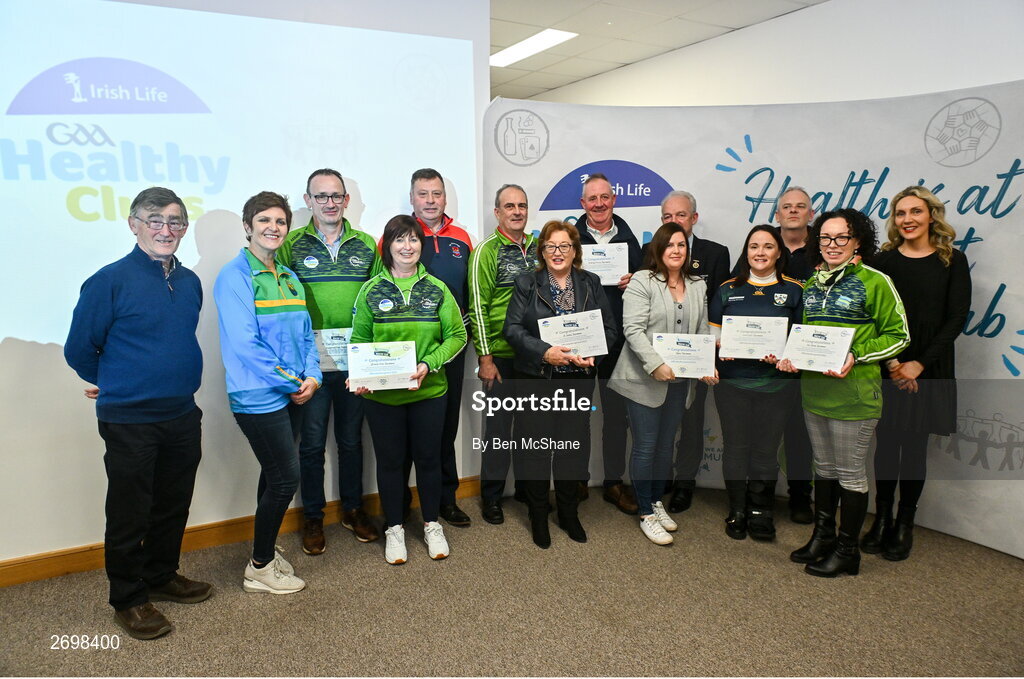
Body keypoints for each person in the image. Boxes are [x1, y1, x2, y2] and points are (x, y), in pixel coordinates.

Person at [65, 187, 212, 640]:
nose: (166, 230)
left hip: (182, 413)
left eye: (175, 222)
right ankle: (128, 598)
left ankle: (161, 575)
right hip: (129, 419)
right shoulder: (108, 280)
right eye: (155, 220)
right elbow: (79, 350)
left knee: (172, 502)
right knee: (131, 511)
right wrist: (117, 382)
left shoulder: (188, 281)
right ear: (133, 224)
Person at [779, 208, 909, 577]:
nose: (832, 245)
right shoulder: (813, 283)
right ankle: (823, 537)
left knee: (850, 474)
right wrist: (788, 355)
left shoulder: (875, 281)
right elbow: (808, 337)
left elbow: (899, 335)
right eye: (825, 238)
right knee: (824, 470)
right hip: (815, 392)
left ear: (857, 242)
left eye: (841, 238)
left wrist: (858, 355)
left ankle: (848, 551)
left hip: (854, 394)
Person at [215, 191, 320, 594]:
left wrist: (312, 377)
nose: (273, 228)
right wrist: (294, 383)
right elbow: (245, 345)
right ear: (248, 227)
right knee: (285, 479)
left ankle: (263, 549)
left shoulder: (289, 276)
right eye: (264, 221)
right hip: (258, 396)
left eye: (280, 222)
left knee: (274, 474)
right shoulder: (234, 276)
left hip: (294, 392)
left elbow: (307, 335)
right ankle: (260, 568)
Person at [350, 215, 467, 564]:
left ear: (420, 245)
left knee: (429, 460)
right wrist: (359, 376)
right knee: (390, 463)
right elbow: (359, 341)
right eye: (399, 240)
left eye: (413, 239)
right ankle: (395, 529)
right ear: (387, 246)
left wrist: (427, 364)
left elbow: (458, 336)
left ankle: (432, 524)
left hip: (428, 392)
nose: (407, 246)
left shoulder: (437, 288)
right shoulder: (371, 289)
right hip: (382, 397)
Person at [276, 168, 381, 555]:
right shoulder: (291, 245)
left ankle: (353, 510)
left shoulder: (367, 244)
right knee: (312, 444)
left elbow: (376, 300)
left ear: (347, 201)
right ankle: (313, 517)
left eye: (336, 196)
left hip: (356, 362)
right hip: (312, 365)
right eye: (321, 196)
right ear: (308, 201)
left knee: (352, 442)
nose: (330, 203)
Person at [864, 186, 972, 561]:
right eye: (900, 213)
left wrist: (919, 364)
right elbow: (872, 316)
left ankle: (904, 523)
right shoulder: (884, 261)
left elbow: (957, 317)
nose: (907, 219)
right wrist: (894, 364)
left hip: (930, 365)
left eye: (915, 212)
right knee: (886, 444)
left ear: (931, 216)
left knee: (913, 448)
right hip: (889, 363)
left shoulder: (951, 260)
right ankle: (881, 519)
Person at [504, 220, 617, 548]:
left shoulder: (591, 282)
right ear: (542, 251)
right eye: (551, 246)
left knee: (572, 450)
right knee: (538, 450)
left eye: (564, 246)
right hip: (538, 378)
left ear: (575, 250)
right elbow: (512, 329)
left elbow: (609, 328)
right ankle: (539, 515)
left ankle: (568, 513)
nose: (557, 252)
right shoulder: (527, 282)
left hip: (578, 380)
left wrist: (593, 353)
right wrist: (545, 353)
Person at [610, 222, 717, 546]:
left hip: (680, 381)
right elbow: (633, 330)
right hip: (644, 378)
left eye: (681, 245)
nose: (676, 250)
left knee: (665, 444)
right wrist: (656, 364)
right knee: (645, 445)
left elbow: (701, 332)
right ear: (658, 249)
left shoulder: (698, 285)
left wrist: (705, 365)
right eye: (669, 245)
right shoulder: (643, 281)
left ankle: (656, 500)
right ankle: (644, 511)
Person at [709, 225, 803, 541]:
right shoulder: (726, 289)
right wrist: (724, 346)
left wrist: (784, 352)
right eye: (753, 246)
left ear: (779, 252)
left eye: (767, 246)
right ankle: (737, 510)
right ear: (746, 252)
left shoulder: (794, 290)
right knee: (736, 447)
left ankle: (761, 511)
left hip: (776, 386)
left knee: (765, 450)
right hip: (733, 384)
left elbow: (802, 340)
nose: (760, 253)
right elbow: (712, 335)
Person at [403, 168, 474, 526]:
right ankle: (400, 502)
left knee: (446, 426)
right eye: (423, 194)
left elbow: (472, 295)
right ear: (412, 198)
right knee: (403, 428)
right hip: (406, 352)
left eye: (436, 194)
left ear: (445, 198)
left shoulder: (462, 238)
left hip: (452, 349)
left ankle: (447, 498)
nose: (430, 201)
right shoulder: (399, 237)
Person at [469, 184, 539, 524]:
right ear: (497, 212)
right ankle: (492, 497)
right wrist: (485, 358)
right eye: (509, 206)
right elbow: (477, 307)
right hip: (499, 355)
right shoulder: (486, 251)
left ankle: (527, 490)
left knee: (531, 427)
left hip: (535, 354)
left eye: (522, 205)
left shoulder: (540, 248)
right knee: (498, 431)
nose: (517, 211)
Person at [659, 191, 731, 513]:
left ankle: (685, 482)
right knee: (660, 419)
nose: (674, 222)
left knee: (691, 420)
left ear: (694, 219)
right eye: (667, 217)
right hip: (660, 355)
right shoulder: (652, 252)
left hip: (697, 354)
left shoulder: (716, 254)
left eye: (681, 215)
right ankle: (660, 478)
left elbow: (719, 305)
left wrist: (708, 353)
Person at [575, 173, 643, 514]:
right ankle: (576, 479)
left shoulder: (632, 243)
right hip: (581, 342)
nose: (599, 204)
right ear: (583, 204)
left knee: (617, 415)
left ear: (614, 200)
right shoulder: (571, 239)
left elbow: (648, 291)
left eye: (605, 197)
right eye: (592, 198)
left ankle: (614, 482)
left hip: (618, 341)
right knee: (577, 414)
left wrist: (637, 281)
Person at [774, 186, 817, 523]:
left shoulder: (825, 248)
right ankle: (761, 494)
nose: (793, 211)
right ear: (777, 215)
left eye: (800, 207)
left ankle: (801, 496)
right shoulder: (764, 245)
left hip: (811, 354)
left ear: (810, 214)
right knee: (768, 428)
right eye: (786, 207)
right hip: (769, 356)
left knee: (801, 432)